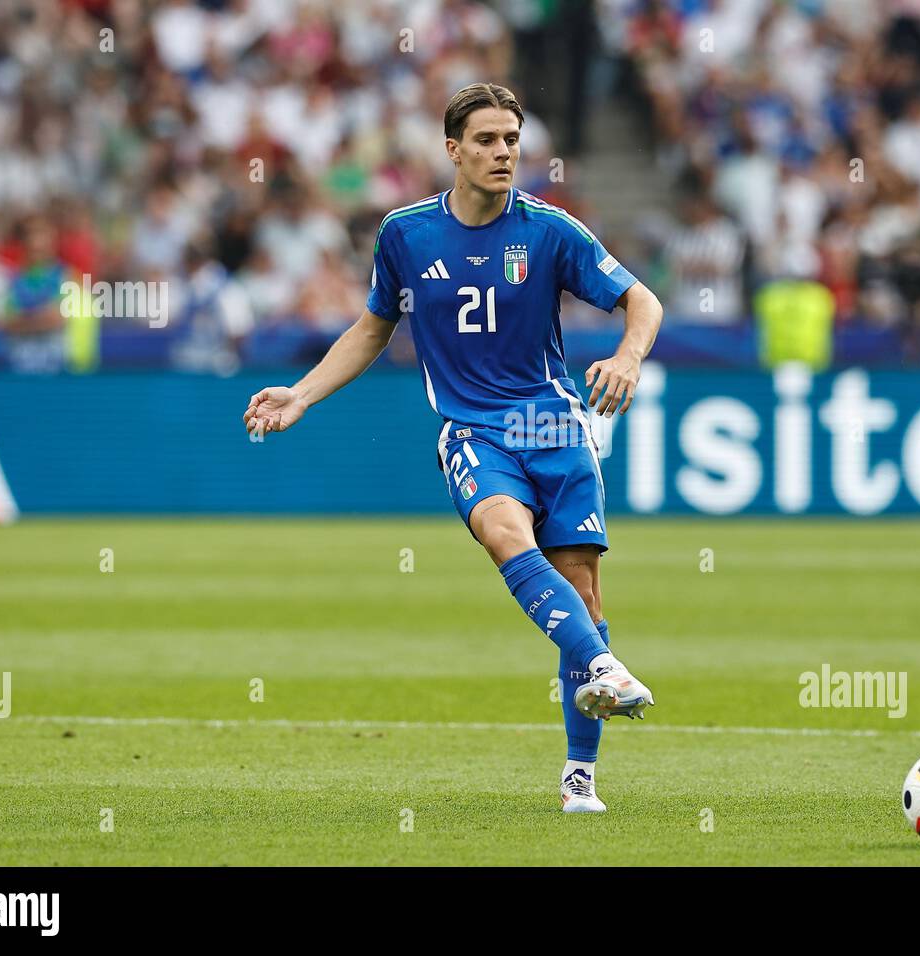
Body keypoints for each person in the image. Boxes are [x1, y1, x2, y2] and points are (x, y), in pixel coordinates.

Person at [242, 83, 664, 814]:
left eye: (511, 140)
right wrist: (303, 393)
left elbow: (643, 301)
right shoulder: (405, 235)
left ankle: (579, 777)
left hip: (556, 430)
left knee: (585, 598)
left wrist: (628, 357)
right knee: (504, 533)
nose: (504, 153)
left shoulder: (550, 230)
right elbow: (374, 326)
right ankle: (605, 666)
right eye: (487, 141)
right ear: (453, 150)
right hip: (474, 430)